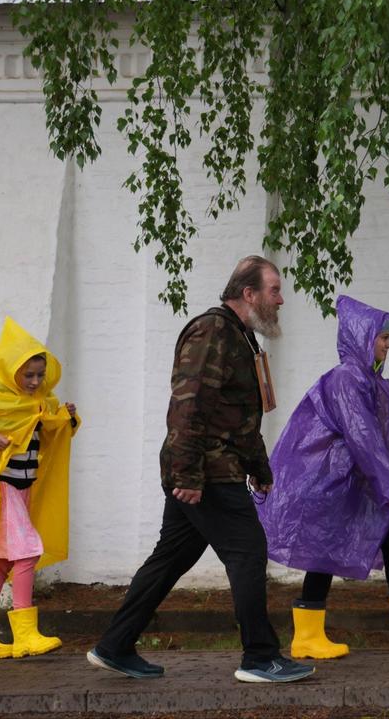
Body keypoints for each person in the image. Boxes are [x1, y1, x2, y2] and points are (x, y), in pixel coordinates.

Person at [87, 256, 314, 684]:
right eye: (274, 290)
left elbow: (238, 416)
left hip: (212, 467)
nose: (281, 300)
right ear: (249, 293)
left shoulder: (239, 337)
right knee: (247, 552)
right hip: (208, 472)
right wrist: (188, 475)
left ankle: (114, 645)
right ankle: (260, 658)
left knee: (170, 558)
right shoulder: (212, 331)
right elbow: (188, 406)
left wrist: (259, 466)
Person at [260, 295, 389, 659]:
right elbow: (363, 435)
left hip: (349, 485)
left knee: (385, 540)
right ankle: (312, 636)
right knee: (325, 553)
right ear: (362, 336)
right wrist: (387, 486)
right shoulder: (347, 380)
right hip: (329, 485)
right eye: (383, 337)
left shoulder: (368, 381)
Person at [0, 316, 80, 660]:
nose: (35, 381)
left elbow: (52, 432)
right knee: (26, 551)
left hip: (24, 487)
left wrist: (67, 418)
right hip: (1, 486)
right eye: (28, 375)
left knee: (0, 563)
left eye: (40, 374)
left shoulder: (44, 400)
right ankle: (25, 634)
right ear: (11, 371)